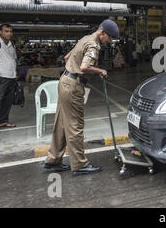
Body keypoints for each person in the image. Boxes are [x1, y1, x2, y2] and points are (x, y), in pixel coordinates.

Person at [42, 19, 119, 176]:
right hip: (73, 86)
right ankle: (79, 165)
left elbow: (66, 58)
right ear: (102, 33)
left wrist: (74, 67)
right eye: (109, 38)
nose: (109, 42)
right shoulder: (93, 45)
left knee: (62, 124)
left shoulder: (84, 39)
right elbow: (84, 67)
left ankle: (53, 160)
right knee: (75, 125)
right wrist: (100, 71)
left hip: (65, 81)